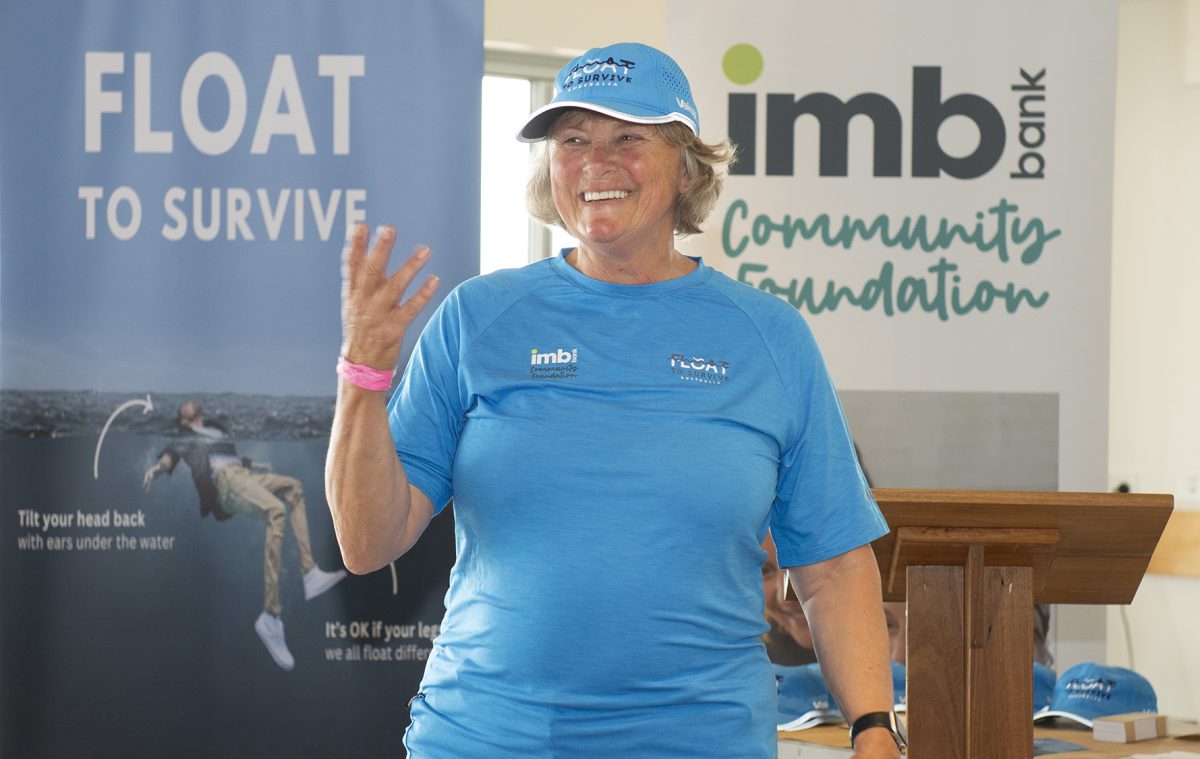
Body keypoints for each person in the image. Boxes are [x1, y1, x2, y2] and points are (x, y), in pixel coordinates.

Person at [325, 42, 901, 757]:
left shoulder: (768, 338)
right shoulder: (480, 317)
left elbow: (835, 566)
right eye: (573, 141)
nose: (595, 162)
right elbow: (366, 540)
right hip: (487, 736)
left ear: (686, 164)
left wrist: (874, 725)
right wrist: (364, 373)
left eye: (629, 137)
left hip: (700, 739)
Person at [144, 400, 347, 671]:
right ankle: (270, 615)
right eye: (185, 407)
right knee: (276, 511)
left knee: (294, 489)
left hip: (242, 475)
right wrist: (157, 468)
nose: (189, 403)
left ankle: (310, 573)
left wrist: (254, 464)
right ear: (182, 420)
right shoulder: (184, 436)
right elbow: (171, 454)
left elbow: (231, 458)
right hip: (226, 484)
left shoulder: (215, 427)